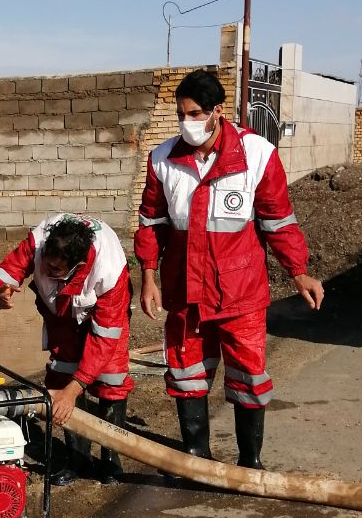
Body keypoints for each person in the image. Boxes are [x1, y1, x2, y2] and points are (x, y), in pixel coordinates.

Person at [134, 69, 324, 469]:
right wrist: (147, 278)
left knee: (248, 377)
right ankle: (196, 457)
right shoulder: (163, 159)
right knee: (187, 374)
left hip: (241, 295)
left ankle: (249, 461)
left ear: (217, 112)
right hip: (185, 292)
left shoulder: (257, 154)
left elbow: (278, 221)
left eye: (195, 114)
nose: (188, 123)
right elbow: (151, 222)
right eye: (181, 114)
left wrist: (298, 271)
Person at [0, 214, 134, 485]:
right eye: (46, 264)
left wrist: (73, 391)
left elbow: (105, 339)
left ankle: (111, 459)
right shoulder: (38, 243)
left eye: (57, 269)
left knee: (111, 377)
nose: (48, 270)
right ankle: (77, 457)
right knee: (62, 372)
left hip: (100, 312)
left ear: (79, 265)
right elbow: (6, 271)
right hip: (61, 314)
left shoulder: (110, 270)